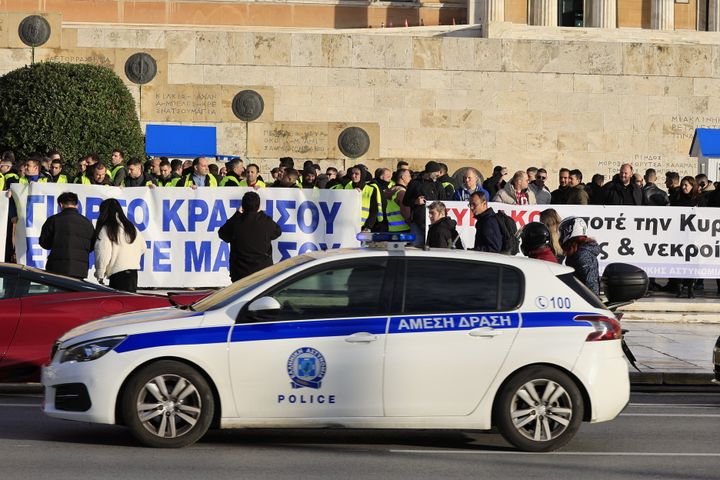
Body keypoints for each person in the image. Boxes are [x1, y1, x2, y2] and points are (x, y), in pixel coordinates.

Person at [218, 191, 282, 282]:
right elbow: (277, 231)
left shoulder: (235, 222)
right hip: (263, 272)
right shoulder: (266, 222)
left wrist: (237, 214)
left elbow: (223, 234)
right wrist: (261, 214)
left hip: (240, 273)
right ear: (258, 207)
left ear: (242, 206)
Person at [93, 198, 146, 292]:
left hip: (118, 274)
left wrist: (100, 273)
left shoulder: (107, 229)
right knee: (130, 304)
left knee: (117, 304)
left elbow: (103, 253)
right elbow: (143, 247)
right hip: (133, 274)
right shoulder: (131, 227)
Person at [38, 192, 95, 279]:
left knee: (58, 292)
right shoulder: (87, 223)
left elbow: (44, 243)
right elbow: (92, 245)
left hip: (57, 267)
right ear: (77, 205)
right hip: (80, 269)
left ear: (61, 205)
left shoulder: (53, 220)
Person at [403, 161, 446, 246]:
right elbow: (405, 201)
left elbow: (444, 203)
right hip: (417, 223)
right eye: (436, 173)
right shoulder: (415, 183)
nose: (439, 175)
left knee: (433, 246)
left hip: (434, 223)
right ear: (430, 172)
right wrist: (415, 201)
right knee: (415, 247)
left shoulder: (438, 185)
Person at [559, 217, 601, 295]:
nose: (561, 235)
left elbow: (590, 283)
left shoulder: (582, 255)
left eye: (563, 232)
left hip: (585, 300)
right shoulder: (577, 250)